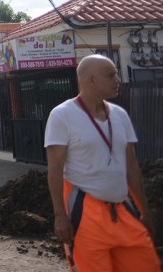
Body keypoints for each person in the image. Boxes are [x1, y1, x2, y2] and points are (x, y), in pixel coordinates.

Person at [44, 54, 159, 271]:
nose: (117, 80)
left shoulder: (119, 115)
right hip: (86, 214)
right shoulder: (62, 115)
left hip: (122, 209)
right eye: (111, 75)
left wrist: (145, 211)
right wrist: (60, 216)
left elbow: (131, 166)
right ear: (92, 80)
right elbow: (55, 169)